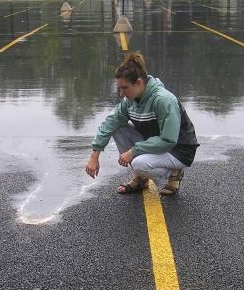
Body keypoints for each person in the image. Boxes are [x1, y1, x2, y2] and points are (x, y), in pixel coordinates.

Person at [85, 53, 199, 195]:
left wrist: (133, 151)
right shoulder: (130, 101)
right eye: (120, 88)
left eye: (124, 88)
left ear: (138, 83)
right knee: (117, 126)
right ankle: (141, 178)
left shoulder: (163, 100)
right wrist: (94, 155)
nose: (121, 93)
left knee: (139, 164)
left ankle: (173, 172)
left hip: (178, 150)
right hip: (156, 144)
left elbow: (168, 140)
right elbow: (110, 122)